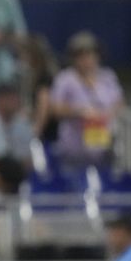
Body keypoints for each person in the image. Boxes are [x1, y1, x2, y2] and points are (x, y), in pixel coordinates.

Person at [49, 31, 122, 171]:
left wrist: (106, 114)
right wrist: (79, 112)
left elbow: (118, 101)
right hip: (74, 147)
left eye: (89, 55)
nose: (86, 60)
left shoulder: (107, 77)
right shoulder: (65, 79)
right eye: (80, 56)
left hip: (102, 142)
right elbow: (55, 109)